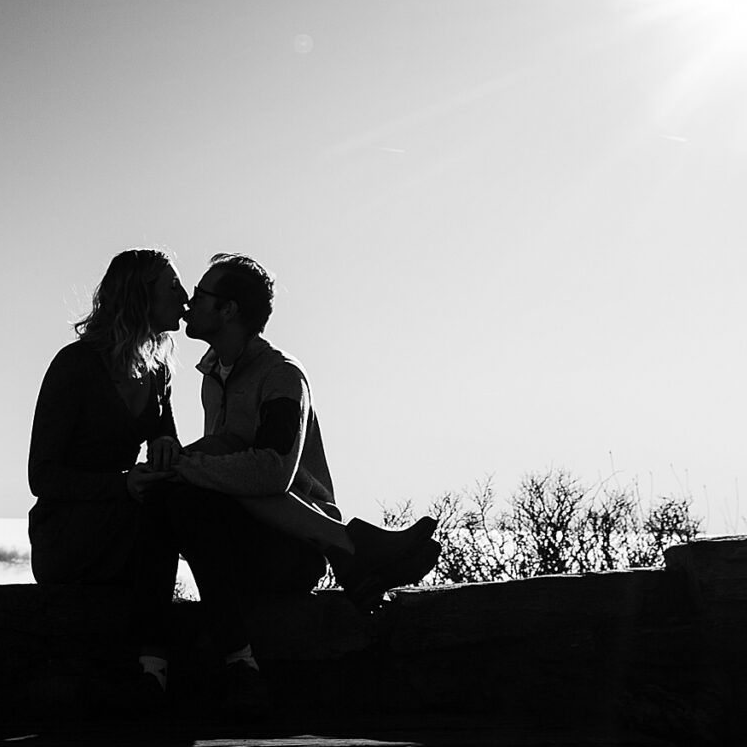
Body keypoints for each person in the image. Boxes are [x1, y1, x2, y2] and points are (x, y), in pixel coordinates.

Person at [135, 253, 439, 712]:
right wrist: (182, 462)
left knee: (189, 495)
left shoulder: (281, 376)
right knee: (179, 498)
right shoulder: (212, 376)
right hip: (243, 538)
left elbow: (273, 469)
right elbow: (231, 457)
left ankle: (214, 666)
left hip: (291, 549)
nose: (187, 304)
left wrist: (183, 467)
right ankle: (354, 552)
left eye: (199, 295)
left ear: (229, 310)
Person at [27, 248, 186, 697]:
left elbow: (166, 440)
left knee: (180, 502)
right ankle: (155, 668)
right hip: (70, 533)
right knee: (165, 512)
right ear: (140, 295)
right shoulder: (75, 366)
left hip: (127, 523)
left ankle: (156, 667)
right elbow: (42, 476)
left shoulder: (157, 372)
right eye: (172, 286)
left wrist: (165, 450)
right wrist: (121, 484)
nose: (185, 295)